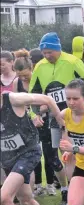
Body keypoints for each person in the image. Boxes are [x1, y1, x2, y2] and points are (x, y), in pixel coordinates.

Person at [30, 32, 84, 205]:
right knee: (55, 157)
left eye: (50, 52)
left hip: (77, 117)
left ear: (58, 49)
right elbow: (32, 93)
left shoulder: (72, 61)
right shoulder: (40, 67)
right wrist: (36, 111)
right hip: (53, 118)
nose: (47, 56)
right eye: (44, 53)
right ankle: (67, 190)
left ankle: (81, 191)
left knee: (75, 153)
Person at [1, 91, 62, 205]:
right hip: (7, 158)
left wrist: (59, 118)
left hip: (28, 152)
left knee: (5, 197)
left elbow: (47, 99)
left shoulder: (13, 99)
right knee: (26, 201)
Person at [12, 50, 59, 197]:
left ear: (31, 67)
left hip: (45, 119)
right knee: (34, 153)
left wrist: (39, 112)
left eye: (25, 74)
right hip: (27, 122)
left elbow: (48, 99)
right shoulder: (16, 83)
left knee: (49, 151)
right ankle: (38, 185)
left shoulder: (39, 79)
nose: (23, 78)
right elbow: (16, 103)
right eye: (20, 76)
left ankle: (51, 184)